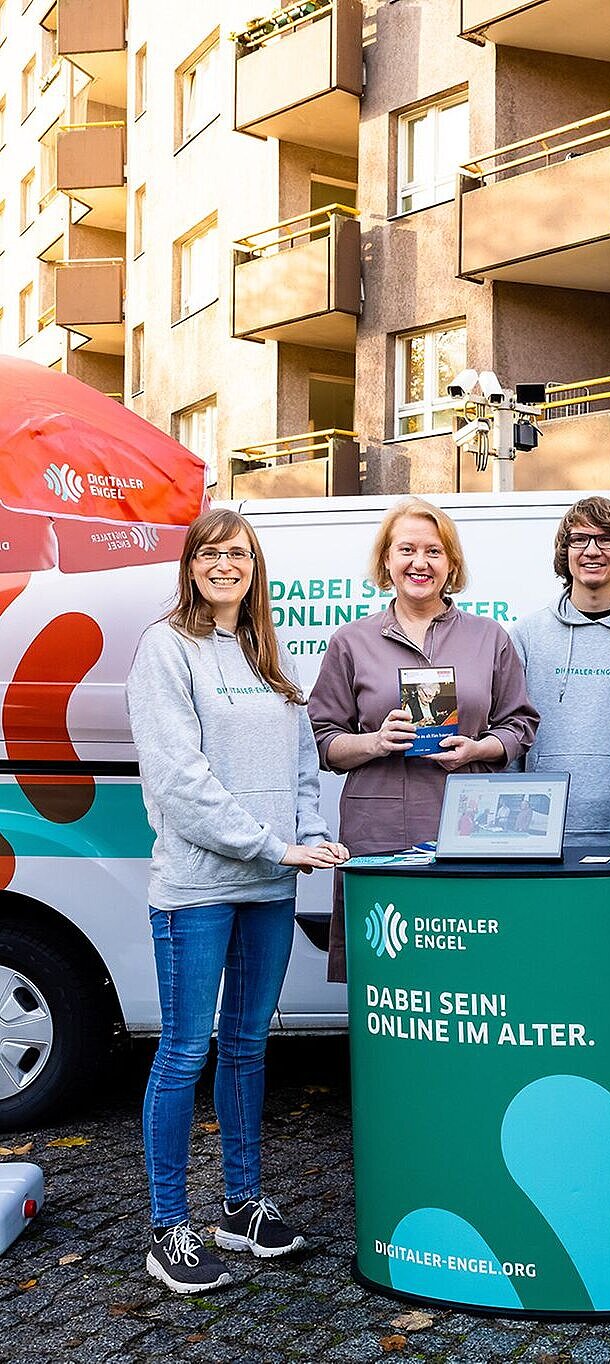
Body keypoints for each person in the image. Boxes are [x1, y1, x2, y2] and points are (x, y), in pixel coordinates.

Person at [127, 509, 349, 1295]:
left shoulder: (266, 652)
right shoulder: (167, 648)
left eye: (241, 555)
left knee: (248, 1046)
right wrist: (274, 844)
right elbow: (179, 784)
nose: (227, 565)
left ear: (256, 568)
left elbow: (299, 769)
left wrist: (313, 837)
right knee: (185, 1050)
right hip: (197, 889)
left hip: (268, 884)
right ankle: (168, 1228)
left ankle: (240, 1206)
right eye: (213, 554)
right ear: (191, 566)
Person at [309, 498, 538, 979]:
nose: (420, 562)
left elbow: (520, 726)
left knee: (468, 973)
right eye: (406, 549)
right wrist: (374, 741)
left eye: (434, 551)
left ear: (451, 563)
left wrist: (479, 748)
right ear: (386, 560)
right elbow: (321, 739)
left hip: (470, 829)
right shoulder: (352, 641)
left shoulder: (488, 637)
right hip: (379, 831)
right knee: (388, 976)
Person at [511, 497, 610, 841]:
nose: (593, 550)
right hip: (544, 834)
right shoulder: (526, 635)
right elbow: (510, 733)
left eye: (607, 539)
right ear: (566, 551)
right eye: (579, 539)